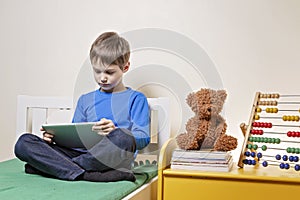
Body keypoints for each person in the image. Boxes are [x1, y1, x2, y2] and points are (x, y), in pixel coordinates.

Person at [14, 32, 150, 182]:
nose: (102, 78)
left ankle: (55, 168)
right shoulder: (85, 100)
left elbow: (143, 137)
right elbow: (75, 138)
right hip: (82, 156)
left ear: (125, 67)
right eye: (97, 71)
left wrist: (115, 131)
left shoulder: (136, 99)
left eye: (109, 72)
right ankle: (86, 175)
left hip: (113, 159)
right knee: (24, 142)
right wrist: (54, 139)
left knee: (123, 137)